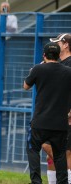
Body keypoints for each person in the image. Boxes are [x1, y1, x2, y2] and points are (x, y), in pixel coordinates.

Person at [24, 42, 71, 184]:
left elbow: (25, 86)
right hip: (60, 123)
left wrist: (33, 72)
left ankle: (36, 181)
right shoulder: (68, 71)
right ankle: (62, 182)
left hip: (40, 121)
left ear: (44, 55)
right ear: (58, 56)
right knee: (59, 155)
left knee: (33, 150)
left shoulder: (38, 69)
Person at [41, 33, 71, 184]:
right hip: (56, 116)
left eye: (58, 43)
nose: (55, 46)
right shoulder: (58, 63)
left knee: (66, 154)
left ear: (66, 45)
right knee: (49, 151)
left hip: (67, 116)